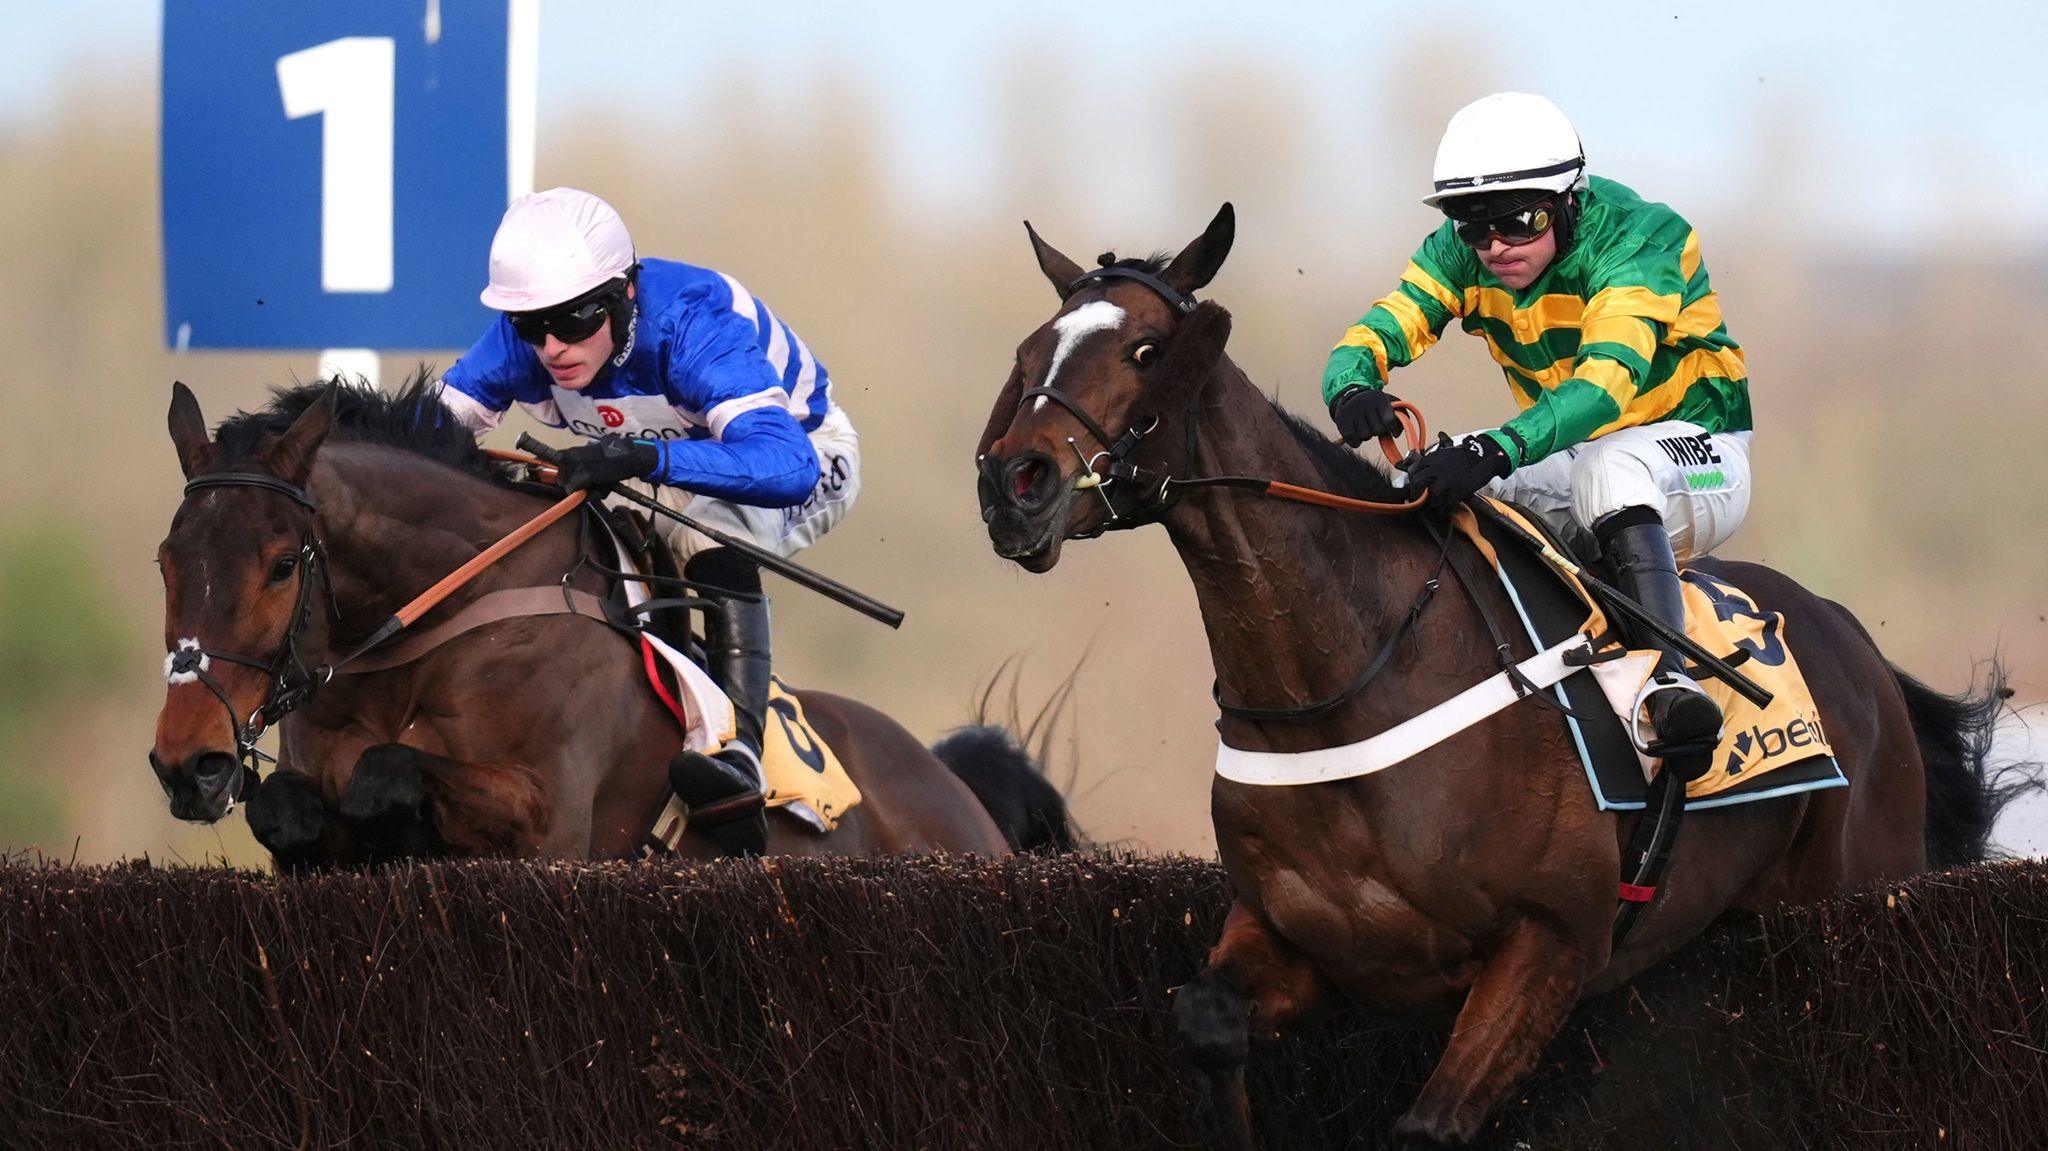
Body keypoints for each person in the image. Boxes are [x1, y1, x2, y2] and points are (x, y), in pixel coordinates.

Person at [1320, 92, 1749, 761]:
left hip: (1701, 450)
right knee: (1423, 481)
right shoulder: (1462, 251)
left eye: (1519, 222)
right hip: (1570, 452)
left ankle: (1669, 686)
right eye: (1473, 226)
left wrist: (1498, 446)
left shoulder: (1642, 237)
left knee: (1609, 472)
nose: (1494, 246)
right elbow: (1380, 327)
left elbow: (1606, 388)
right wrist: (1349, 383)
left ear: (1569, 201)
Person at [437, 187, 861, 853]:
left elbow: (786, 463)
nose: (551, 346)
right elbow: (421, 441)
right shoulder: (533, 334)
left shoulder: (692, 326)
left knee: (701, 528)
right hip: (653, 466)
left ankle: (738, 753)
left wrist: (642, 455)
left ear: (624, 295)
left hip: (802, 452)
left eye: (576, 320)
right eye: (530, 325)